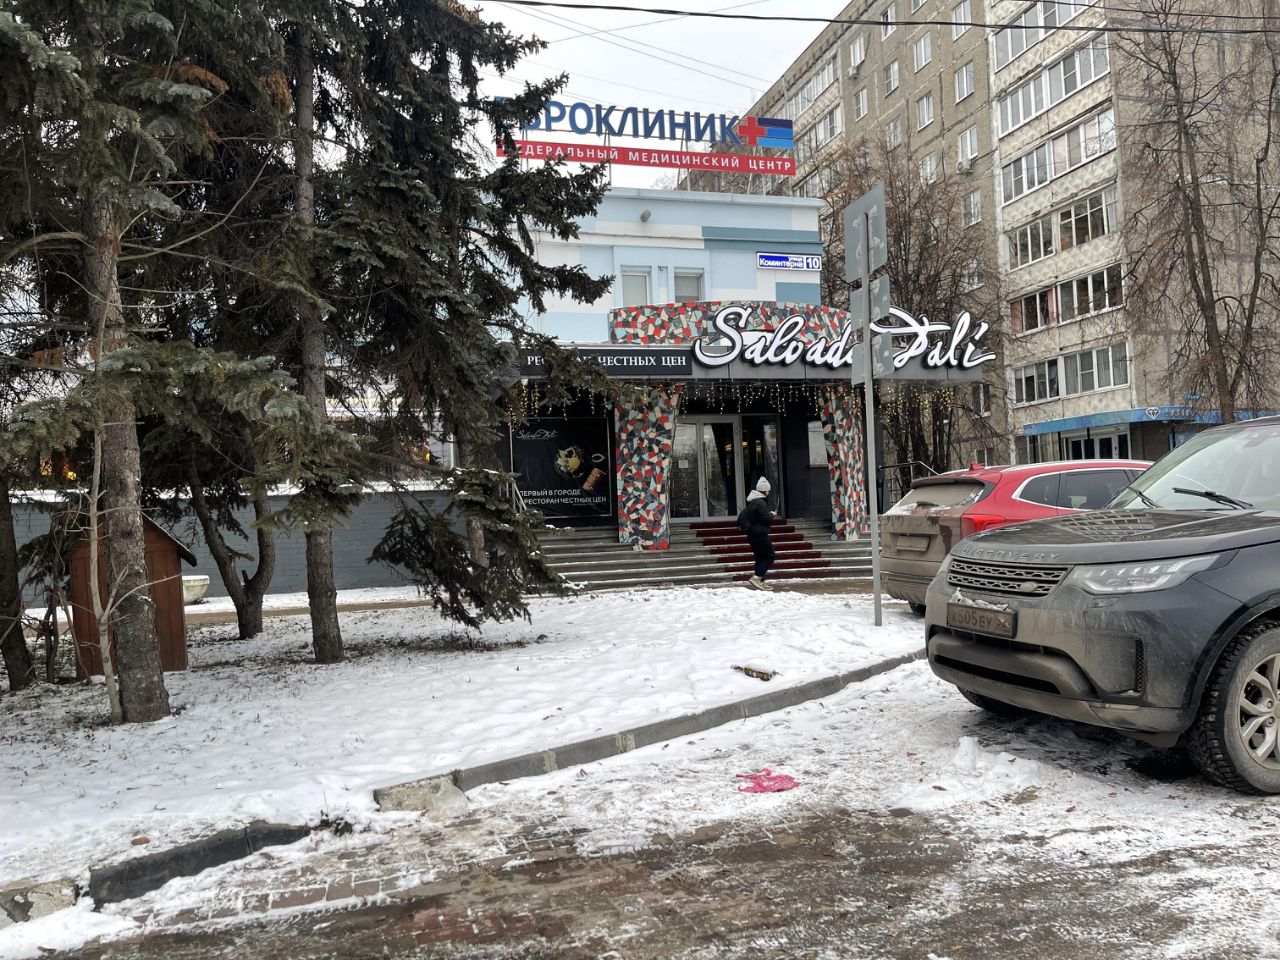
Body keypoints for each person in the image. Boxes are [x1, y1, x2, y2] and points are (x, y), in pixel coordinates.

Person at [744, 477, 776, 590]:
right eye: (768, 491)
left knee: (760, 557)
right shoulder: (761, 503)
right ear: (765, 491)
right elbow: (765, 519)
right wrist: (771, 515)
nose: (769, 493)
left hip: (752, 534)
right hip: (760, 534)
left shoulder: (752, 502)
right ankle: (757, 577)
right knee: (770, 555)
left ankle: (760, 581)